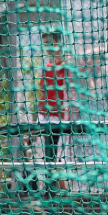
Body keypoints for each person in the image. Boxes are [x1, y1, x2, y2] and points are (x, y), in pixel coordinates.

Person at [38, 30, 69, 164]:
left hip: (60, 118)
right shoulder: (47, 68)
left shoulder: (68, 67)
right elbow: (42, 94)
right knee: (44, 157)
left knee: (58, 157)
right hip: (44, 116)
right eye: (45, 43)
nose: (48, 47)